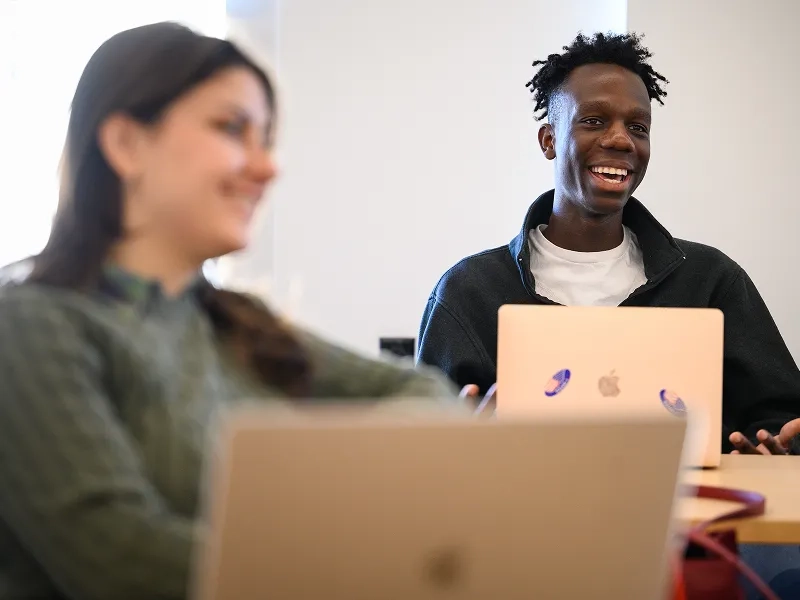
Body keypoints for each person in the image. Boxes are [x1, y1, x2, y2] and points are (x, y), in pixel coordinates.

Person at [0, 22, 469, 600]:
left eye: (266, 139)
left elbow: (423, 394)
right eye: (232, 129)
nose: (267, 167)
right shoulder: (30, 326)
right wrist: (355, 560)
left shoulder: (233, 320)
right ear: (126, 144)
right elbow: (121, 561)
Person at [417, 32, 800, 455]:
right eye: (594, 121)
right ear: (548, 140)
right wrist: (463, 445)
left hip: (688, 517)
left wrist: (773, 450)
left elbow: (781, 421)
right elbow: (420, 449)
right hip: (523, 517)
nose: (621, 140)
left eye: (638, 127)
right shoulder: (468, 292)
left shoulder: (712, 280)